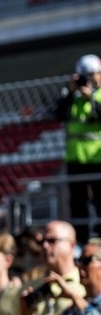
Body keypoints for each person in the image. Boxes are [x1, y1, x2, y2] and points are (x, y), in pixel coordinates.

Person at [55, 54, 101, 242]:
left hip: (98, 158)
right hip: (75, 157)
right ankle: (80, 238)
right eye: (85, 75)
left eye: (92, 74)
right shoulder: (71, 96)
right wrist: (70, 91)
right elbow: (58, 115)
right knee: (77, 201)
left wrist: (91, 98)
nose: (89, 79)